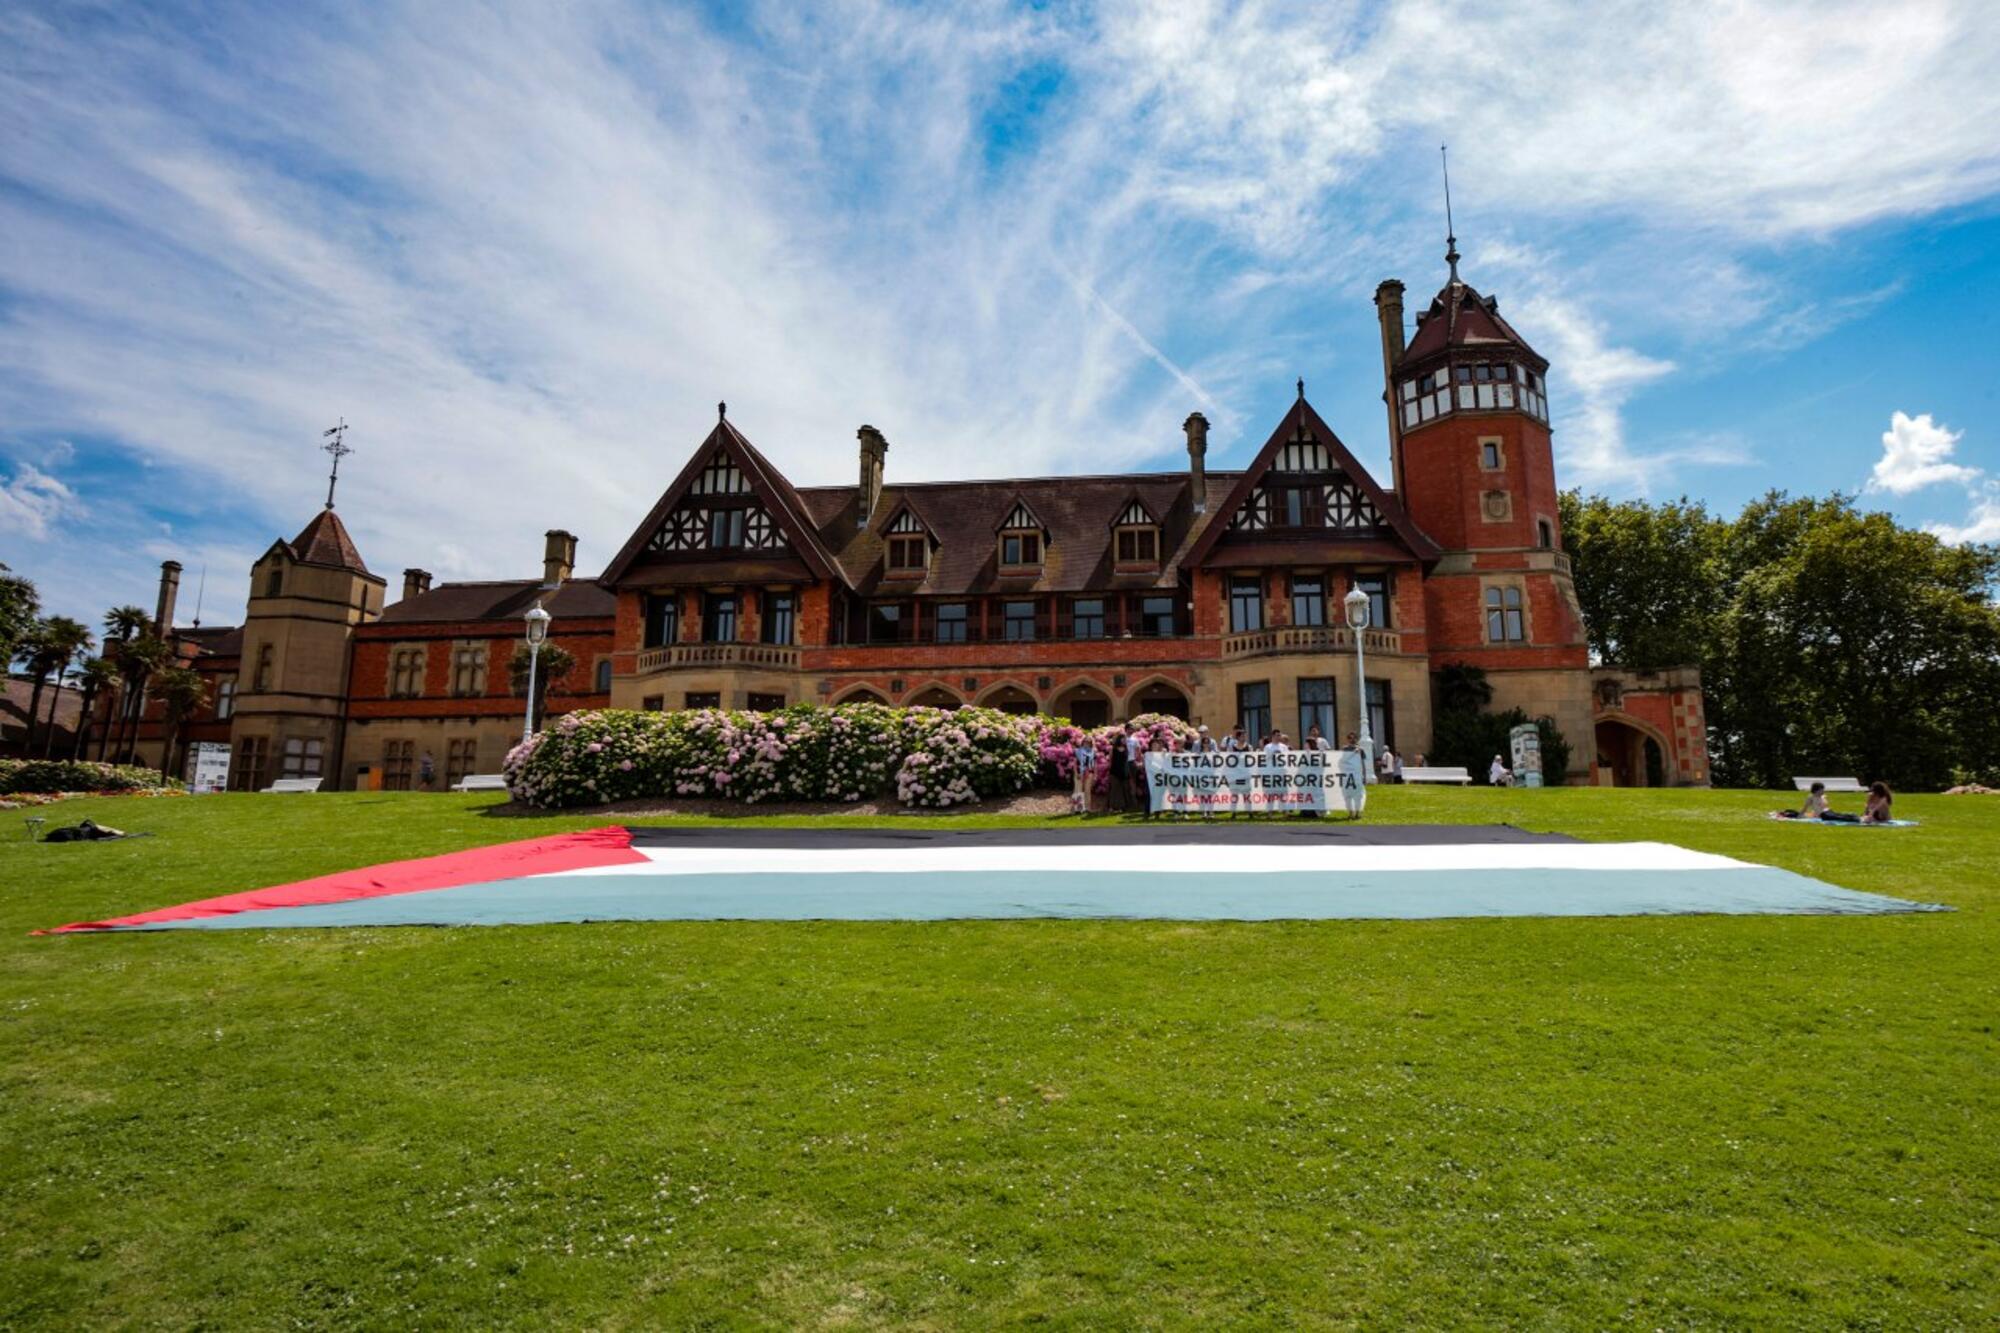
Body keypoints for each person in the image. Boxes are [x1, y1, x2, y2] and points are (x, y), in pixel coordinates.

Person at [1071, 735, 1097, 815]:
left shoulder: (1093, 752)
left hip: (1089, 773)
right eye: (1085, 742)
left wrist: (1095, 774)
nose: (1087, 743)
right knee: (1078, 790)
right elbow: (1075, 763)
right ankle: (1077, 809)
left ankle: (1087, 808)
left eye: (1089, 742)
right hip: (1079, 773)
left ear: (1091, 743)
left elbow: (1095, 764)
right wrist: (1076, 773)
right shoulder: (1077, 751)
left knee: (1087, 791)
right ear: (1083, 742)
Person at [1105, 725, 1129, 812]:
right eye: (1123, 739)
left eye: (1125, 739)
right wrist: (1110, 771)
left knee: (1121, 790)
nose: (1124, 740)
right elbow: (1110, 760)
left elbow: (1126, 761)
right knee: (1114, 789)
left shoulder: (1126, 749)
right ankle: (1111, 807)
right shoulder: (1113, 749)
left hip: (1123, 771)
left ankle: (1120, 807)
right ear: (1119, 739)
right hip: (1114, 771)